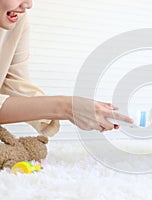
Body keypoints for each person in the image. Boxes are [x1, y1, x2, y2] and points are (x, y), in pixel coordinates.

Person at [0, 0, 133, 136]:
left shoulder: (17, 20)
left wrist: (88, 111)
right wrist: (66, 107)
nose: (28, 4)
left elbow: (17, 87)